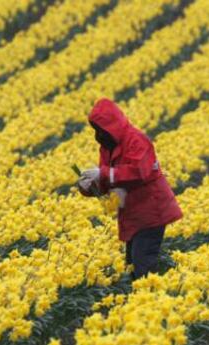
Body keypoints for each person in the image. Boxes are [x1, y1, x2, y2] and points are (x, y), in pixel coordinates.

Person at [77, 98, 182, 281]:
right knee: (132, 264)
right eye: (96, 130)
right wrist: (89, 186)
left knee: (142, 267)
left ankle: (150, 302)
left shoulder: (136, 140)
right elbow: (108, 179)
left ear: (111, 126)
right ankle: (139, 303)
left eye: (101, 129)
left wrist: (101, 174)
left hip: (151, 212)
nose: (98, 134)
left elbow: (138, 173)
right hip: (134, 213)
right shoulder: (108, 146)